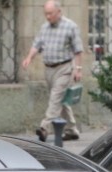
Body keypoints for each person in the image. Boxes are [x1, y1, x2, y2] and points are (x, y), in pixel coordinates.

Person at [21, 1, 83, 142]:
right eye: (46, 14)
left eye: (50, 14)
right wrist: (29, 58)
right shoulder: (44, 28)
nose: (48, 17)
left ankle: (44, 128)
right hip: (49, 69)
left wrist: (78, 69)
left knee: (55, 98)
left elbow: (78, 50)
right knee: (61, 100)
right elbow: (37, 44)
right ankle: (72, 130)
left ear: (59, 12)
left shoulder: (70, 26)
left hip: (64, 68)